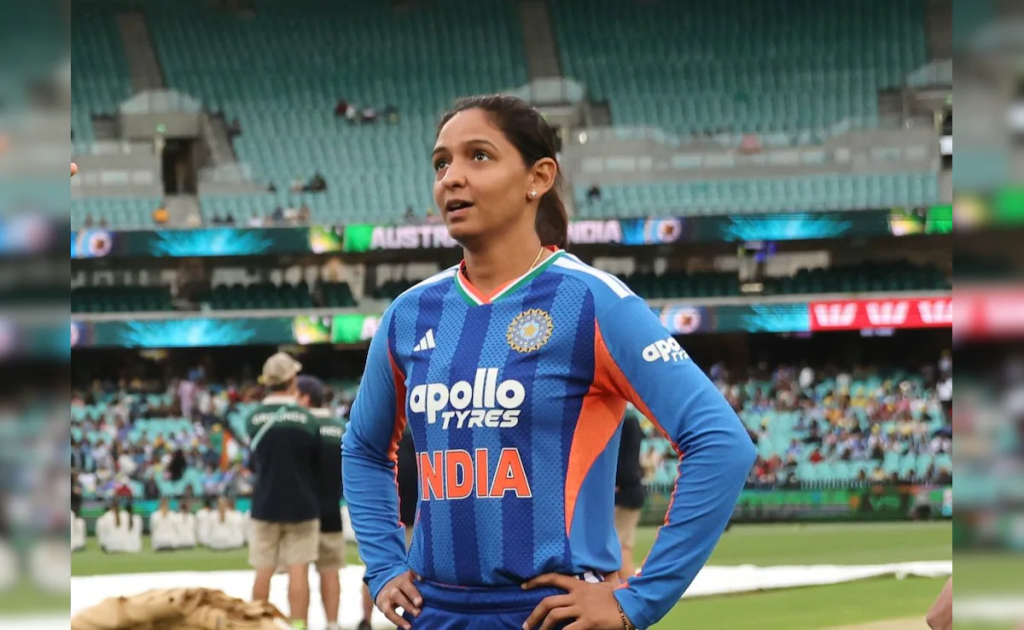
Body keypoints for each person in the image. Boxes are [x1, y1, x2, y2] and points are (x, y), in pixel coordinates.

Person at [342, 94, 756, 630]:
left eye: (479, 156)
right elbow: (364, 447)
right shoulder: (409, 314)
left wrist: (637, 600)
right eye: (441, 163)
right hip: (434, 613)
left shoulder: (594, 302)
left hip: (550, 615)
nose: (451, 177)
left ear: (538, 177)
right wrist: (382, 564)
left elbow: (721, 443)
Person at [245, 352, 322, 630]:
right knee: (298, 571)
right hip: (302, 504)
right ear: (292, 380)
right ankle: (298, 626)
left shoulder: (253, 418)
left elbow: (253, 462)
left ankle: (257, 626)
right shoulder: (307, 419)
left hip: (265, 504)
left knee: (263, 570)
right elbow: (315, 464)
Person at [297, 375, 346, 630]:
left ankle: (299, 625)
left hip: (302, 511)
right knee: (330, 571)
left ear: (305, 398)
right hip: (332, 508)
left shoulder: (301, 426)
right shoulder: (340, 427)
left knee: (299, 572)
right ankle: (333, 624)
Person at [357, 425, 417, 630]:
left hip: (394, 519)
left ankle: (366, 619)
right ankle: (368, 618)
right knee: (381, 571)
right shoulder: (412, 438)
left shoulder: (383, 438)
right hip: (403, 519)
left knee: (377, 570)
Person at [614, 409, 646, 582]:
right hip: (632, 492)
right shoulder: (632, 420)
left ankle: (626, 590)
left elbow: (624, 468)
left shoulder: (622, 421)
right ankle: (628, 589)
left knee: (617, 549)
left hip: (623, 494)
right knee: (624, 547)